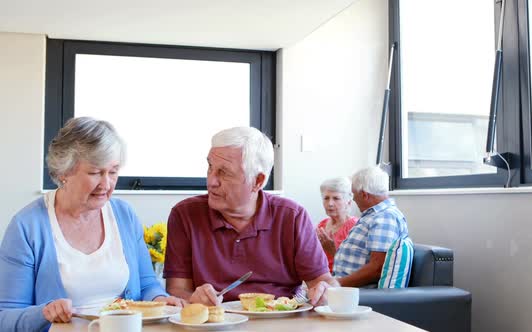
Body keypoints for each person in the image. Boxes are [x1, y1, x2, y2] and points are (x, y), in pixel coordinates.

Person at [0, 117, 182, 332]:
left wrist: (160, 298)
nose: (106, 184)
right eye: (95, 173)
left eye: (113, 172)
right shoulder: (27, 226)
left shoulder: (124, 215)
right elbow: (6, 317)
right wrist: (45, 312)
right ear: (63, 173)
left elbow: (146, 285)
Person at [164, 127, 339, 306]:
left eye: (224, 172)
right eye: (210, 167)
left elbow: (322, 281)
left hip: (278, 320)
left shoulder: (292, 216)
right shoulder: (185, 214)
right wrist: (193, 300)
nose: (211, 181)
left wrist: (326, 291)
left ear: (258, 181)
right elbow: (177, 289)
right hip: (215, 320)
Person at [332, 166, 410, 287]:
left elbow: (377, 269)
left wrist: (335, 285)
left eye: (354, 195)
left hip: (356, 293)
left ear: (364, 195)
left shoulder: (385, 217)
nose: (354, 200)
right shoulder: (372, 216)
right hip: (343, 287)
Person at [315, 177, 358, 273]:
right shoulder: (321, 225)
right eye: (326, 198)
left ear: (349, 202)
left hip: (341, 279)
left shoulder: (355, 226)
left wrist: (333, 250)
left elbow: (353, 266)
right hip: (319, 277)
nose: (330, 204)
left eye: (336, 198)